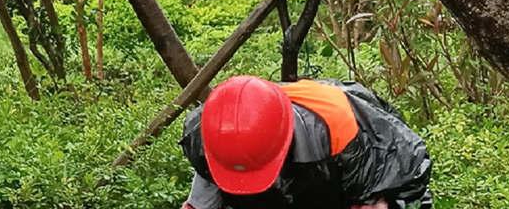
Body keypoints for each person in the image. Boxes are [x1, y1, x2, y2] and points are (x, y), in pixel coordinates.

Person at [179, 75, 433, 209]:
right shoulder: (210, 129)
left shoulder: (343, 134)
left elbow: (404, 171)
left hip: (350, 174)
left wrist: (375, 202)